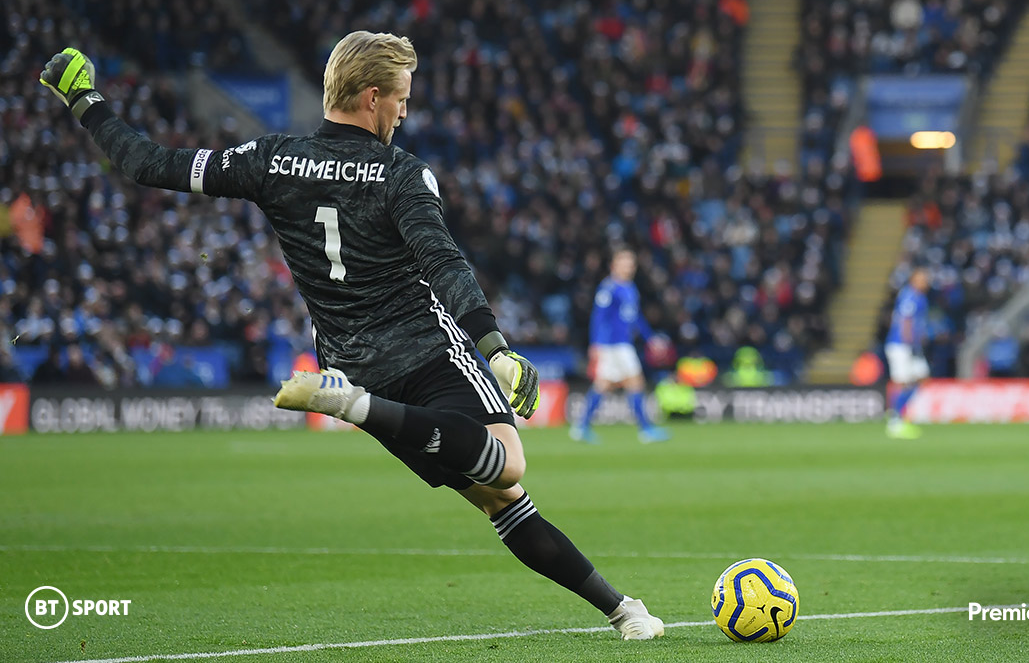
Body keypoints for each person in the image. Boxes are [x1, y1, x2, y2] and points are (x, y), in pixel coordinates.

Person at [42, 35, 663, 640]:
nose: (405, 109)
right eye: (401, 97)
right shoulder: (401, 173)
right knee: (509, 463)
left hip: (354, 362)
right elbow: (443, 260)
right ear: (372, 97)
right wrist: (494, 347)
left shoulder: (271, 159)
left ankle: (620, 609)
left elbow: (149, 163)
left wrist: (86, 103)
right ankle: (350, 407)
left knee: (501, 501)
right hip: (425, 349)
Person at [570, 249, 669, 444]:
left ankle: (581, 427)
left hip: (622, 344)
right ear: (614, 265)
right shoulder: (609, 288)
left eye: (631, 263)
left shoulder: (630, 287)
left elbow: (635, 317)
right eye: (624, 262)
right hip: (613, 345)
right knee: (635, 383)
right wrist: (595, 343)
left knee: (604, 385)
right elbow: (598, 317)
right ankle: (646, 429)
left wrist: (650, 338)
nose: (629, 266)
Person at [884, 267, 930, 439]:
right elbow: (906, 321)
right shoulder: (910, 296)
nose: (926, 282)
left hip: (912, 346)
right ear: (914, 279)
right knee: (902, 382)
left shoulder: (920, 297)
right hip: (901, 345)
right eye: (923, 278)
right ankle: (895, 421)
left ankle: (897, 413)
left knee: (921, 377)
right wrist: (910, 343)